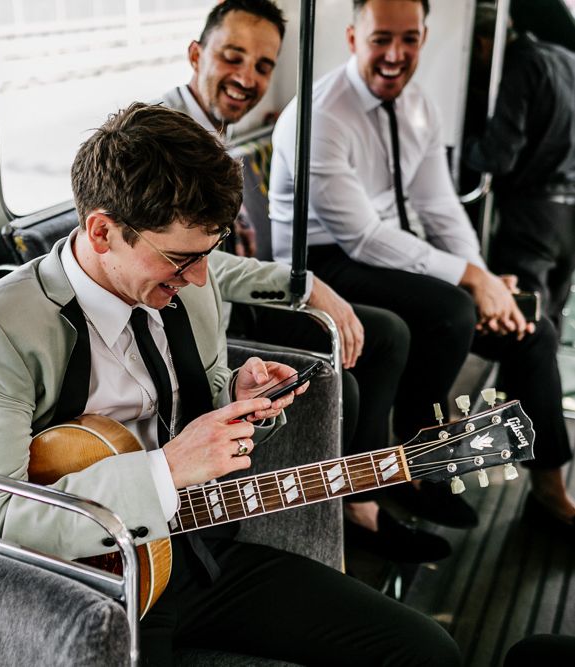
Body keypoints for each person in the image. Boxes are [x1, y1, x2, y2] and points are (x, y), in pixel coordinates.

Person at [0, 103, 461, 665]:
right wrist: (167, 470)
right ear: (102, 230)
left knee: (426, 651)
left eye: (208, 253)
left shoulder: (192, 285)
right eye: (181, 259)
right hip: (84, 583)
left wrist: (238, 395)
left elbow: (204, 397)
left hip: (195, 549)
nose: (202, 278)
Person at [161, 0, 451, 561]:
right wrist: (305, 285)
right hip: (195, 324)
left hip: (232, 307)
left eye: (264, 66)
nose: (247, 78)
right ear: (197, 54)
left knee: (386, 334)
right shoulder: (168, 142)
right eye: (232, 57)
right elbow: (189, 262)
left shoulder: (216, 133)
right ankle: (341, 512)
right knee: (342, 383)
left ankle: (372, 487)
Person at [269, 0, 575, 529]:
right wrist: (470, 280)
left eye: (409, 39)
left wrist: (483, 279)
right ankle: (419, 461)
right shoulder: (321, 116)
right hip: (322, 261)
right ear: (351, 38)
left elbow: (439, 208)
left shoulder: (419, 107)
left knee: (534, 331)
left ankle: (550, 487)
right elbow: (362, 238)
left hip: (391, 251)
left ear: (424, 38)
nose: (395, 54)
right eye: (381, 39)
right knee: (451, 310)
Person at [464, 5, 575, 332]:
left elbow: (497, 157)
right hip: (569, 217)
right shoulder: (566, 59)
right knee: (548, 325)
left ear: (485, 44)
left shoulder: (520, 66)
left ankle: (513, 387)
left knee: (523, 330)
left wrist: (460, 146)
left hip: (531, 221)